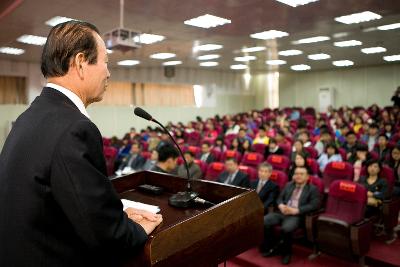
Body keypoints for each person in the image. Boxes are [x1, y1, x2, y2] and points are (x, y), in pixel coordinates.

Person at [0, 21, 162, 267]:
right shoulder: (74, 128)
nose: (108, 72)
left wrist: (116, 216)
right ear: (80, 63)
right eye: (105, 62)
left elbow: (62, 202)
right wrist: (134, 227)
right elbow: (107, 236)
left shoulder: (29, 117)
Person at [261, 166, 320, 265]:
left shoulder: (312, 189)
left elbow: (314, 205)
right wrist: (281, 205)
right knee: (263, 221)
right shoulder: (289, 185)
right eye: (296, 174)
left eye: (301, 174)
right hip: (282, 212)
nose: (298, 176)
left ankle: (286, 253)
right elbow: (279, 198)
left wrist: (296, 210)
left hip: (296, 215)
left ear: (307, 177)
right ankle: (272, 246)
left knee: (287, 229)